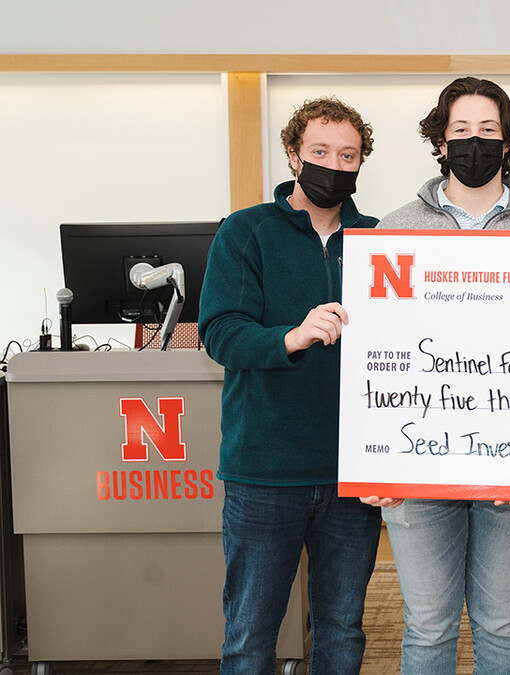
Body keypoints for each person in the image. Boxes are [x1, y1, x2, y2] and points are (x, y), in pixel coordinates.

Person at [362, 76, 510, 674]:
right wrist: (376, 458)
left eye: (489, 131)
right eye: (461, 131)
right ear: (439, 142)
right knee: (427, 627)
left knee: (502, 623)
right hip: (417, 462)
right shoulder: (392, 232)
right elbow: (375, 353)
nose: (475, 143)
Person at [198, 97, 382, 674]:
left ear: (360, 163)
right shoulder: (245, 232)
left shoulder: (380, 241)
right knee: (251, 635)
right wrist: (291, 337)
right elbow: (220, 333)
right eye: (320, 151)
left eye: (348, 154)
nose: (335, 163)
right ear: (293, 156)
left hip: (352, 475)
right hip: (265, 471)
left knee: (342, 631)